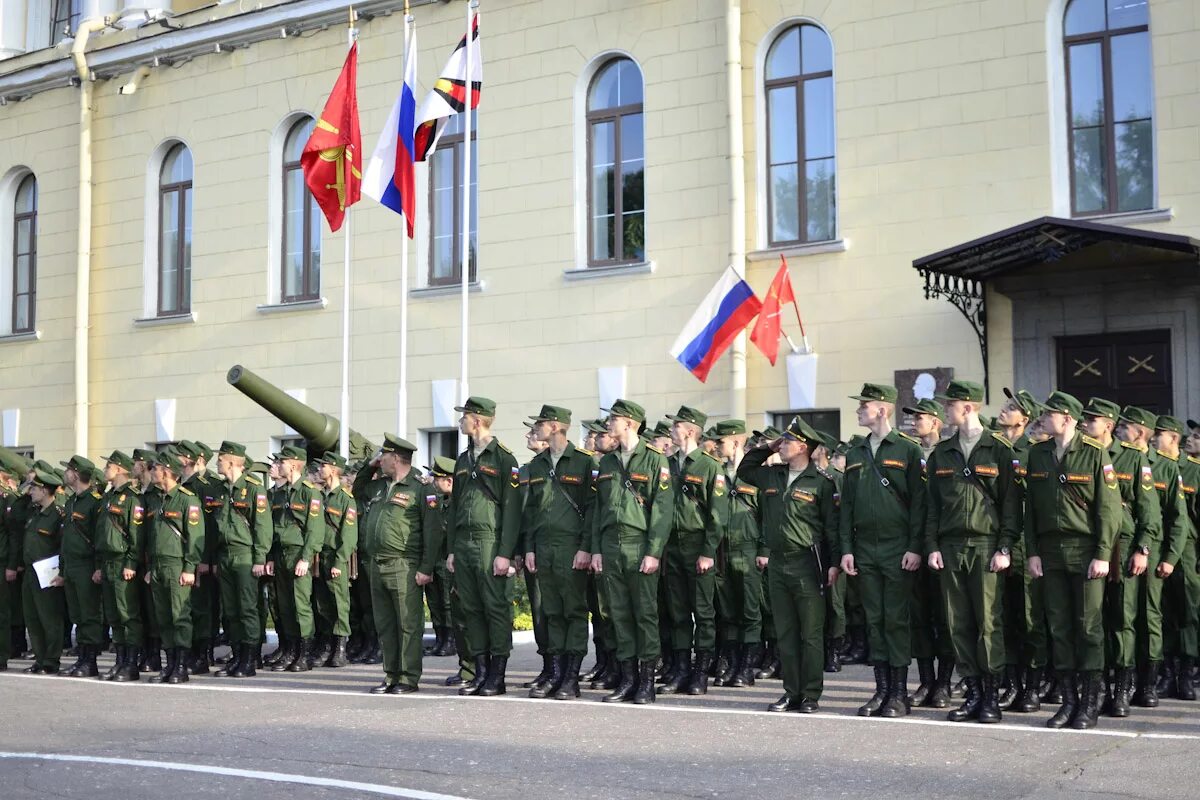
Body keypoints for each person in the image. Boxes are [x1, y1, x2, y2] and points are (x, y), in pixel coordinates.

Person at [925, 380, 1020, 723]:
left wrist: (1006, 546)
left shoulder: (998, 449)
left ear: (967, 407)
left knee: (988, 623)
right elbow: (932, 506)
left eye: (949, 404)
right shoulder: (942, 452)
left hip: (985, 545)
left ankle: (991, 695)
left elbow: (1011, 505)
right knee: (957, 622)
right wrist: (932, 546)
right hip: (951, 547)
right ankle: (973, 691)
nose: (943, 410)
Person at [1025, 391, 1121, 729]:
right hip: (1049, 552)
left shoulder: (1095, 454)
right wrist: (1032, 552)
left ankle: (1090, 703)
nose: (1041, 418)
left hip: (1085, 552)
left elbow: (1108, 511)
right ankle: (1068, 702)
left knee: (1089, 627)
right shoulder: (1037, 454)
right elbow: (1031, 511)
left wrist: (1103, 554)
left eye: (1048, 414)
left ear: (1066, 418)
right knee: (1059, 627)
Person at [739, 417, 838, 712]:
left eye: (788, 441)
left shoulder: (821, 483)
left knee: (810, 634)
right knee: (786, 632)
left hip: (809, 563)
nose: (783, 445)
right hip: (778, 562)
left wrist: (833, 565)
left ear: (804, 447)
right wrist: (767, 447)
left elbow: (831, 528)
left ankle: (810, 694)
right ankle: (791, 692)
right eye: (781, 440)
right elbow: (745, 469)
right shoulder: (773, 476)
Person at [839, 383, 927, 718]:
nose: (859, 410)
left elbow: (920, 504)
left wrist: (915, 546)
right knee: (874, 620)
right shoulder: (857, 451)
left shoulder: (907, 450)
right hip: (865, 548)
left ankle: (899, 694)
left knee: (896, 620)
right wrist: (846, 548)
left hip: (898, 548)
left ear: (883, 410)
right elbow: (845, 506)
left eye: (865, 405)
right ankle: (880, 690)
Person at [1080, 398, 1158, 717]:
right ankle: (1096, 686)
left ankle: (1122, 687)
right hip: (1091, 545)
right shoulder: (1082, 454)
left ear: (1109, 425)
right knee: (1093, 619)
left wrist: (1143, 548)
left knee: (1123, 620)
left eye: (1092, 420)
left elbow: (1148, 511)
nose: (1085, 424)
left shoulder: (1133, 459)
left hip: (1123, 547)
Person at [592, 399, 673, 703]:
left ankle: (647, 681)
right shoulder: (608, 462)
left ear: (628, 423)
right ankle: (628, 679)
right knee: (618, 613)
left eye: (613, 419)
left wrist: (654, 552)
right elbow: (599, 511)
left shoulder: (654, 460)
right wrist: (597, 549)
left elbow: (663, 511)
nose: (608, 424)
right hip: (611, 544)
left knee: (645, 614)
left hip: (639, 545)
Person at [446, 397, 522, 696]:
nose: (460, 422)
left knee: (495, 608)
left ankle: (497, 675)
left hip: (490, 542)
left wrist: (505, 553)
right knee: (471, 608)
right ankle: (479, 672)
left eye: (464, 417)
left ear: (477, 420)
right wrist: (452, 548)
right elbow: (453, 509)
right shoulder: (464, 459)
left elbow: (513, 510)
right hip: (464, 542)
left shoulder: (504, 458)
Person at [522, 405, 598, 700]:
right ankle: (554, 671)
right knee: (550, 612)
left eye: (540, 424)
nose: (536, 429)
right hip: (543, 547)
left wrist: (586, 548)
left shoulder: (582, 463)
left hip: (571, 547)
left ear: (554, 427)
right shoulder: (538, 464)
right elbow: (530, 511)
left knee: (573, 611)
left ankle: (571, 677)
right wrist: (528, 548)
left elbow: (592, 508)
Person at [354, 435, 437, 694]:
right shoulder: (380, 486)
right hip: (377, 564)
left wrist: (426, 567)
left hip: (405, 564)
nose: (380, 461)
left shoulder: (421, 488)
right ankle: (391, 674)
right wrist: (369, 466)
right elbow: (357, 489)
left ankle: (408, 677)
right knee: (386, 624)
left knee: (407, 624)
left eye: (384, 457)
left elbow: (432, 532)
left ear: (397, 458)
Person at [662, 405, 725, 696]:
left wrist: (708, 552)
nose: (671, 430)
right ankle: (681, 670)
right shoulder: (667, 462)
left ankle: (700, 672)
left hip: (697, 545)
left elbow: (717, 515)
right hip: (670, 545)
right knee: (677, 612)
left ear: (689, 430)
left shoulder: (710, 466)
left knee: (703, 612)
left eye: (675, 426)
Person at [903, 398, 955, 708]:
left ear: (935, 421)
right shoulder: (909, 452)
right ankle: (925, 681)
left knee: (945, 615)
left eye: (919, 417)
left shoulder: (948, 451)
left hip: (940, 541)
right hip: (913, 540)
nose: (913, 422)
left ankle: (944, 683)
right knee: (919, 615)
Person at [212, 441, 273, 678]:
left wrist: (259, 558)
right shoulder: (220, 489)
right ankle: (237, 656)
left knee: (247, 608)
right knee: (230, 610)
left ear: (231, 461)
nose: (217, 463)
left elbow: (262, 526)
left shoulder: (253, 489)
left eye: (220, 459)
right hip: (225, 554)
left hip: (245, 555)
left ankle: (249, 659)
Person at [712, 420, 765, 688]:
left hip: (748, 549)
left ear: (735, 442)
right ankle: (731, 665)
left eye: (720, 442)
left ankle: (746, 668)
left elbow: (768, 516)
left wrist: (764, 550)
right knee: (727, 612)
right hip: (721, 551)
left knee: (750, 612)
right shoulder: (717, 472)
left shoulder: (755, 475)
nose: (716, 446)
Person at [1148, 414, 1196, 701]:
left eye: (1160, 434)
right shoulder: (1153, 467)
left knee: (1188, 612)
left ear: (1173, 438)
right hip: (1158, 545)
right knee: (1162, 611)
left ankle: (1187, 674)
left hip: (1188, 551)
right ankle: (1167, 672)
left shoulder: (1194, 470)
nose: (1154, 438)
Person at [145, 450, 204, 684]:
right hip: (158, 566)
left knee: (180, 616)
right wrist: (151, 566)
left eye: (156, 468)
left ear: (167, 471)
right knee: (163, 617)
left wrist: (189, 567)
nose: (152, 472)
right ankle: (169, 664)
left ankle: (181, 665)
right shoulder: (158, 498)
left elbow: (195, 536)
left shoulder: (187, 500)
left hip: (177, 565)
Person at [268, 445, 326, 672]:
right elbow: (275, 528)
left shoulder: (309, 492)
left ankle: (304, 652)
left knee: (301, 604)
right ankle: (291, 650)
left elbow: (315, 529)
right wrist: (272, 556)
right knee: (285, 605)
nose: (278, 465)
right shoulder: (281, 492)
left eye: (281, 461)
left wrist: (306, 557)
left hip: (298, 553)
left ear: (293, 464)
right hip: (281, 553)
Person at [95, 451, 145, 682]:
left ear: (118, 469)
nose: (105, 470)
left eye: (108, 466)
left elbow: (136, 535)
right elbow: (100, 534)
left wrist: (131, 563)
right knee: (114, 615)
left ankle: (131, 664)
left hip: (122, 562)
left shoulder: (133, 498)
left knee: (128, 614)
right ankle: (120, 660)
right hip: (106, 562)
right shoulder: (108, 496)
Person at [57, 456, 104, 678]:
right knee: (77, 614)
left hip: (87, 566)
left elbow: (98, 538)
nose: (65, 473)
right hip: (71, 566)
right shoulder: (71, 501)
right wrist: (62, 570)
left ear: (76, 474)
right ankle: (81, 657)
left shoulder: (94, 502)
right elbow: (67, 539)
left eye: (68, 470)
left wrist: (98, 567)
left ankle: (90, 661)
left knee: (89, 615)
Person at [19, 469, 67, 675]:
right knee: (32, 618)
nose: (30, 491)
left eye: (35, 488)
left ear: (46, 490)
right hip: (30, 572)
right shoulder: (34, 512)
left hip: (48, 573)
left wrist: (61, 572)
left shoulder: (58, 514)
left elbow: (62, 546)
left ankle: (51, 660)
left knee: (49, 618)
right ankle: (39, 658)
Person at [312, 452, 357, 669]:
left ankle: (340, 648)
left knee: (339, 604)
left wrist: (340, 562)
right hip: (319, 556)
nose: (320, 470)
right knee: (322, 604)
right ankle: (327, 645)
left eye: (323, 466)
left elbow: (348, 536)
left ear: (333, 469)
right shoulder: (319, 496)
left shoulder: (345, 499)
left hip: (335, 557)